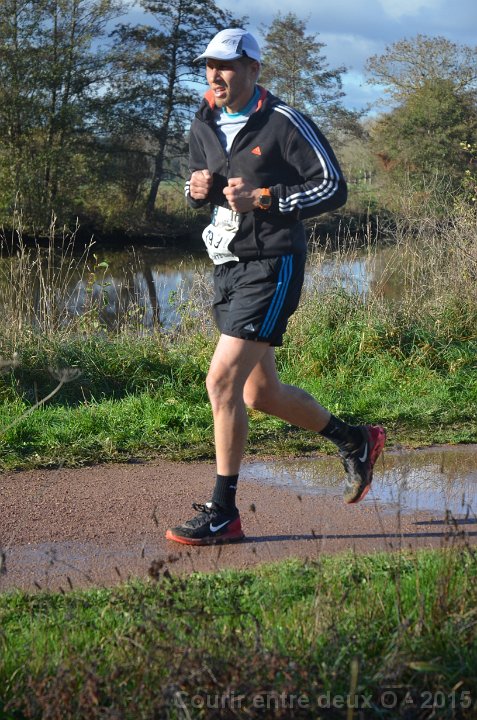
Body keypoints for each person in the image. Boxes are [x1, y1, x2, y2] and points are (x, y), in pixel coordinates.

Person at [165, 28, 385, 546]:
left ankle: (224, 513)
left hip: (273, 263)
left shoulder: (283, 121)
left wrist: (266, 197)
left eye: (226, 66)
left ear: (252, 69)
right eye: (209, 66)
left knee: (221, 382)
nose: (215, 75)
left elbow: (333, 186)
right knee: (260, 393)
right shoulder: (203, 120)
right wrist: (195, 189)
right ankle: (355, 440)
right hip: (228, 263)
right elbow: (204, 182)